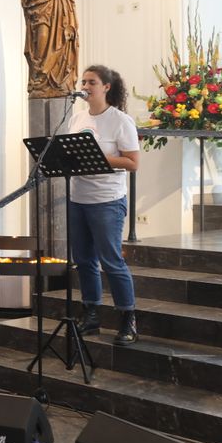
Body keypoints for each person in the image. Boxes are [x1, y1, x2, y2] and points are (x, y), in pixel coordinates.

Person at [68, 65, 140, 345]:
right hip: (78, 198)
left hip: (107, 200)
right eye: (83, 81)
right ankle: (92, 314)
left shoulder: (120, 120)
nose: (85, 86)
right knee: (84, 260)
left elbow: (132, 162)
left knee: (111, 260)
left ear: (106, 87)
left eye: (92, 82)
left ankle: (128, 319)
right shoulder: (77, 117)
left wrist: (95, 156)